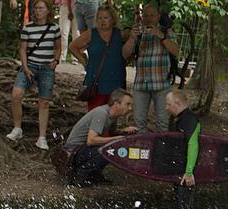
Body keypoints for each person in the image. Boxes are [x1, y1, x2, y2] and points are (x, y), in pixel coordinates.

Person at [6, 0, 60, 150]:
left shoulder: (54, 28)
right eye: (36, 8)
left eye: (41, 8)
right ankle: (17, 128)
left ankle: (41, 137)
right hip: (30, 65)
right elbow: (22, 49)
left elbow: (58, 47)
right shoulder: (28, 28)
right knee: (16, 95)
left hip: (46, 68)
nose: (38, 11)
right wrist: (25, 67)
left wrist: (56, 61)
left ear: (48, 10)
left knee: (44, 102)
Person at [122, 2, 179, 132]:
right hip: (141, 84)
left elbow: (176, 51)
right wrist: (132, 37)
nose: (148, 18)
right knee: (138, 123)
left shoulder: (166, 31)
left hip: (161, 84)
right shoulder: (138, 32)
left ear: (158, 16)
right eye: (146, 15)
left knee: (162, 123)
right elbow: (124, 54)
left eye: (152, 15)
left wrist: (162, 36)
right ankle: (142, 144)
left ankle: (160, 145)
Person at [63, 88, 137, 185]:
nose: (130, 108)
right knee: (109, 150)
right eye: (127, 104)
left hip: (83, 149)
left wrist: (124, 131)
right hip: (73, 152)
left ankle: (93, 174)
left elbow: (111, 132)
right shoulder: (101, 113)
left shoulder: (113, 116)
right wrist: (116, 139)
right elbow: (91, 140)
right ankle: (80, 176)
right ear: (116, 104)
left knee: (110, 148)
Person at [69, 4, 126, 110]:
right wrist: (84, 62)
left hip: (116, 80)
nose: (102, 21)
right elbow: (73, 47)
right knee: (95, 112)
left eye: (106, 18)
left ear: (112, 19)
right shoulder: (91, 34)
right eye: (100, 18)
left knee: (114, 112)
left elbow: (128, 53)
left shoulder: (120, 35)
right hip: (96, 81)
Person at [165, 89, 200, 209]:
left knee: (184, 208)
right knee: (181, 207)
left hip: (187, 172)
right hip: (178, 169)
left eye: (168, 104)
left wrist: (189, 173)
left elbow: (193, 145)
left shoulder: (190, 119)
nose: (166, 108)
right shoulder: (176, 118)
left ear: (178, 103)